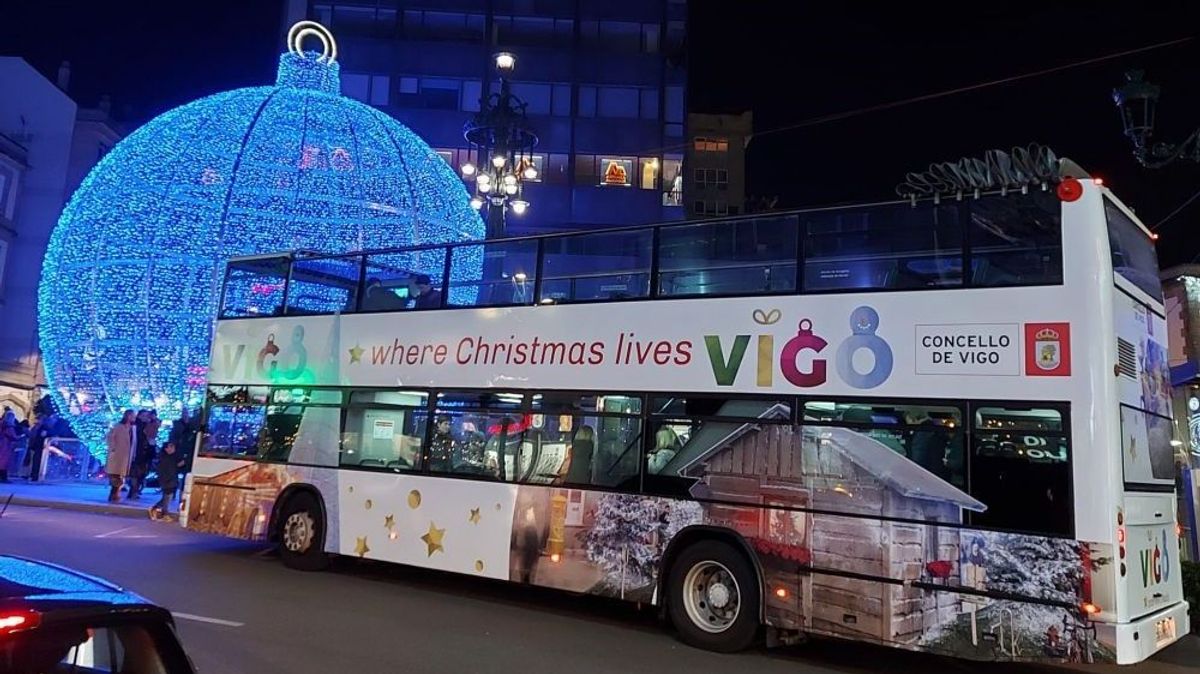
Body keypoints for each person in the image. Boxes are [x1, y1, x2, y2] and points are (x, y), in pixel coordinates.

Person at [105, 410, 136, 502]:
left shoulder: (132, 428)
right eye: (132, 416)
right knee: (116, 475)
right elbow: (110, 437)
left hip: (126, 455)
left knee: (120, 475)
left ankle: (115, 494)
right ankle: (113, 495)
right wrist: (113, 448)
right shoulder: (118, 427)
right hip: (117, 455)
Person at [149, 441, 185, 520]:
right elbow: (164, 470)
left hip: (172, 479)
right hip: (166, 479)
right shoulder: (164, 458)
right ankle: (162, 512)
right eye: (170, 447)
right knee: (167, 497)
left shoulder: (173, 457)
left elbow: (176, 467)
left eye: (173, 447)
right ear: (166, 449)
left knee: (167, 497)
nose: (172, 449)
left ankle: (160, 511)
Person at [0, 410, 18, 483]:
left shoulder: (1, 424)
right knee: (4, 461)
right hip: (6, 445)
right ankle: (3, 478)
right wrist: (18, 437)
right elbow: (13, 436)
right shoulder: (9, 426)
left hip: (1, 442)